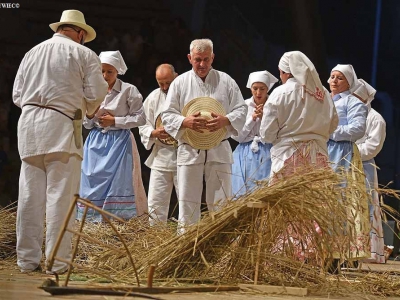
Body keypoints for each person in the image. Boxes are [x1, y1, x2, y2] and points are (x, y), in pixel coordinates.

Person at [12, 10, 108, 274]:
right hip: (61, 125)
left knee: (30, 196)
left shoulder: (32, 52)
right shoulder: (83, 53)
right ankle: (56, 262)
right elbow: (97, 91)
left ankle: (27, 260)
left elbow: (17, 95)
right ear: (79, 33)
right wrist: (85, 108)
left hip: (29, 125)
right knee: (59, 197)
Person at [161, 39, 247, 231]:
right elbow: (167, 115)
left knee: (222, 202)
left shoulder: (226, 81)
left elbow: (241, 109)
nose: (202, 64)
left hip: (219, 147)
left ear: (213, 57)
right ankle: (186, 249)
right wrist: (185, 121)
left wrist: (226, 119)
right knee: (187, 203)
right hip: (189, 149)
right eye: (197, 59)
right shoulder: (180, 83)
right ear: (189, 58)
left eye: (206, 59)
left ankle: (222, 247)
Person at [77, 50, 147, 222]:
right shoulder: (92, 91)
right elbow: (86, 123)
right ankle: (91, 220)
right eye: (102, 71)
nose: (105, 75)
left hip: (119, 142)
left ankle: (116, 221)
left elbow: (140, 118)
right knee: (91, 180)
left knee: (119, 182)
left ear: (117, 71)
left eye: (110, 71)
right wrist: (92, 116)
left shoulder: (128, 90)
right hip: (95, 142)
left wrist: (115, 120)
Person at [260, 51, 338, 179]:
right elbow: (333, 124)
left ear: (286, 72)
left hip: (287, 159)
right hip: (318, 160)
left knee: (287, 198)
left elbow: (267, 134)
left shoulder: (280, 93)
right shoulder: (322, 93)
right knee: (315, 198)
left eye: (280, 73)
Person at [327, 64, 369, 269]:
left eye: (340, 78)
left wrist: (330, 131)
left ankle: (338, 255)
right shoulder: (323, 100)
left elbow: (358, 129)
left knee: (340, 204)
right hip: (322, 152)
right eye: (332, 76)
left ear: (349, 83)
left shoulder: (353, 102)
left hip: (342, 154)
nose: (334, 80)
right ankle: (318, 251)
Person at [139, 64, 179, 225]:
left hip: (184, 155)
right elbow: (142, 123)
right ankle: (156, 238)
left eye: (168, 83)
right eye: (160, 83)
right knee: (155, 203)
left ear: (176, 76)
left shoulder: (186, 94)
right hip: (160, 156)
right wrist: (153, 133)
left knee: (187, 201)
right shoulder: (153, 97)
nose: (164, 87)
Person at [354, 79, 386, 264]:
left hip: (363, 166)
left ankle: (369, 250)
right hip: (345, 164)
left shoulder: (375, 119)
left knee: (366, 206)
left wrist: (351, 152)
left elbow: (373, 146)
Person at [231, 71, 278, 196]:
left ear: (267, 88)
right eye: (255, 88)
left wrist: (264, 118)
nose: (258, 93)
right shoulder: (243, 106)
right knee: (242, 191)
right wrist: (252, 118)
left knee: (265, 192)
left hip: (268, 152)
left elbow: (276, 133)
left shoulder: (274, 106)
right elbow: (238, 137)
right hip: (244, 153)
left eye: (262, 89)